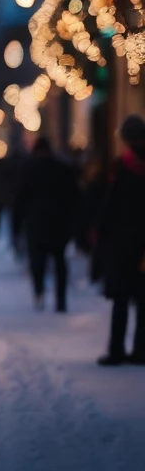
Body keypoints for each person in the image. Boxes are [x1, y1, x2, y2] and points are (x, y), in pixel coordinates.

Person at [93, 116, 145, 366]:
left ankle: (116, 350)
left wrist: (100, 233)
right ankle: (141, 351)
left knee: (121, 299)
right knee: (143, 300)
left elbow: (111, 205)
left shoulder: (122, 166)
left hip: (122, 241)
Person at [14, 138, 77, 312]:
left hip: (36, 222)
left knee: (37, 260)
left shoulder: (29, 169)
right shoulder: (63, 169)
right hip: (59, 222)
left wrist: (17, 224)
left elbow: (20, 199)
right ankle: (61, 299)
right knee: (59, 260)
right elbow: (74, 198)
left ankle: (39, 291)